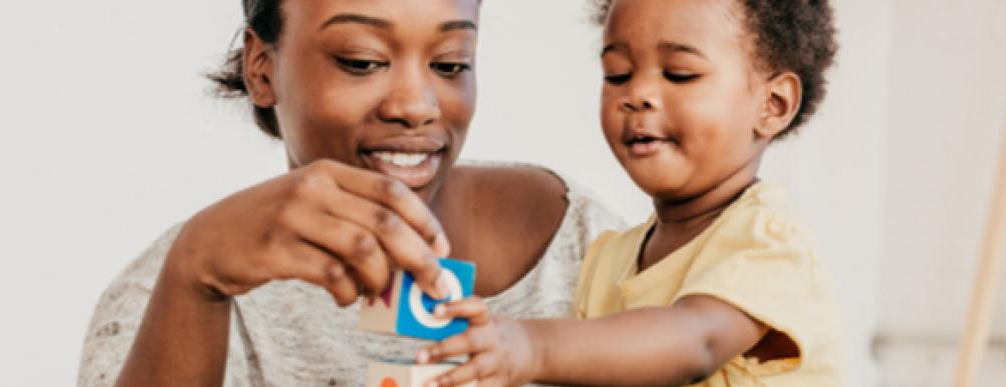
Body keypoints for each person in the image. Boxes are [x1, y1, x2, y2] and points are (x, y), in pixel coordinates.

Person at [76, 1, 624, 386]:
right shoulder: (173, 290)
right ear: (261, 68)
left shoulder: (584, 242)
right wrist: (195, 280)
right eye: (362, 61)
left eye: (450, 64)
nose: (416, 104)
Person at [416, 0, 845, 385]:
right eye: (618, 75)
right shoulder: (608, 260)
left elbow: (697, 342)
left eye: (680, 74)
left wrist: (531, 346)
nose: (636, 95)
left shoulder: (767, 240)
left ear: (773, 104)